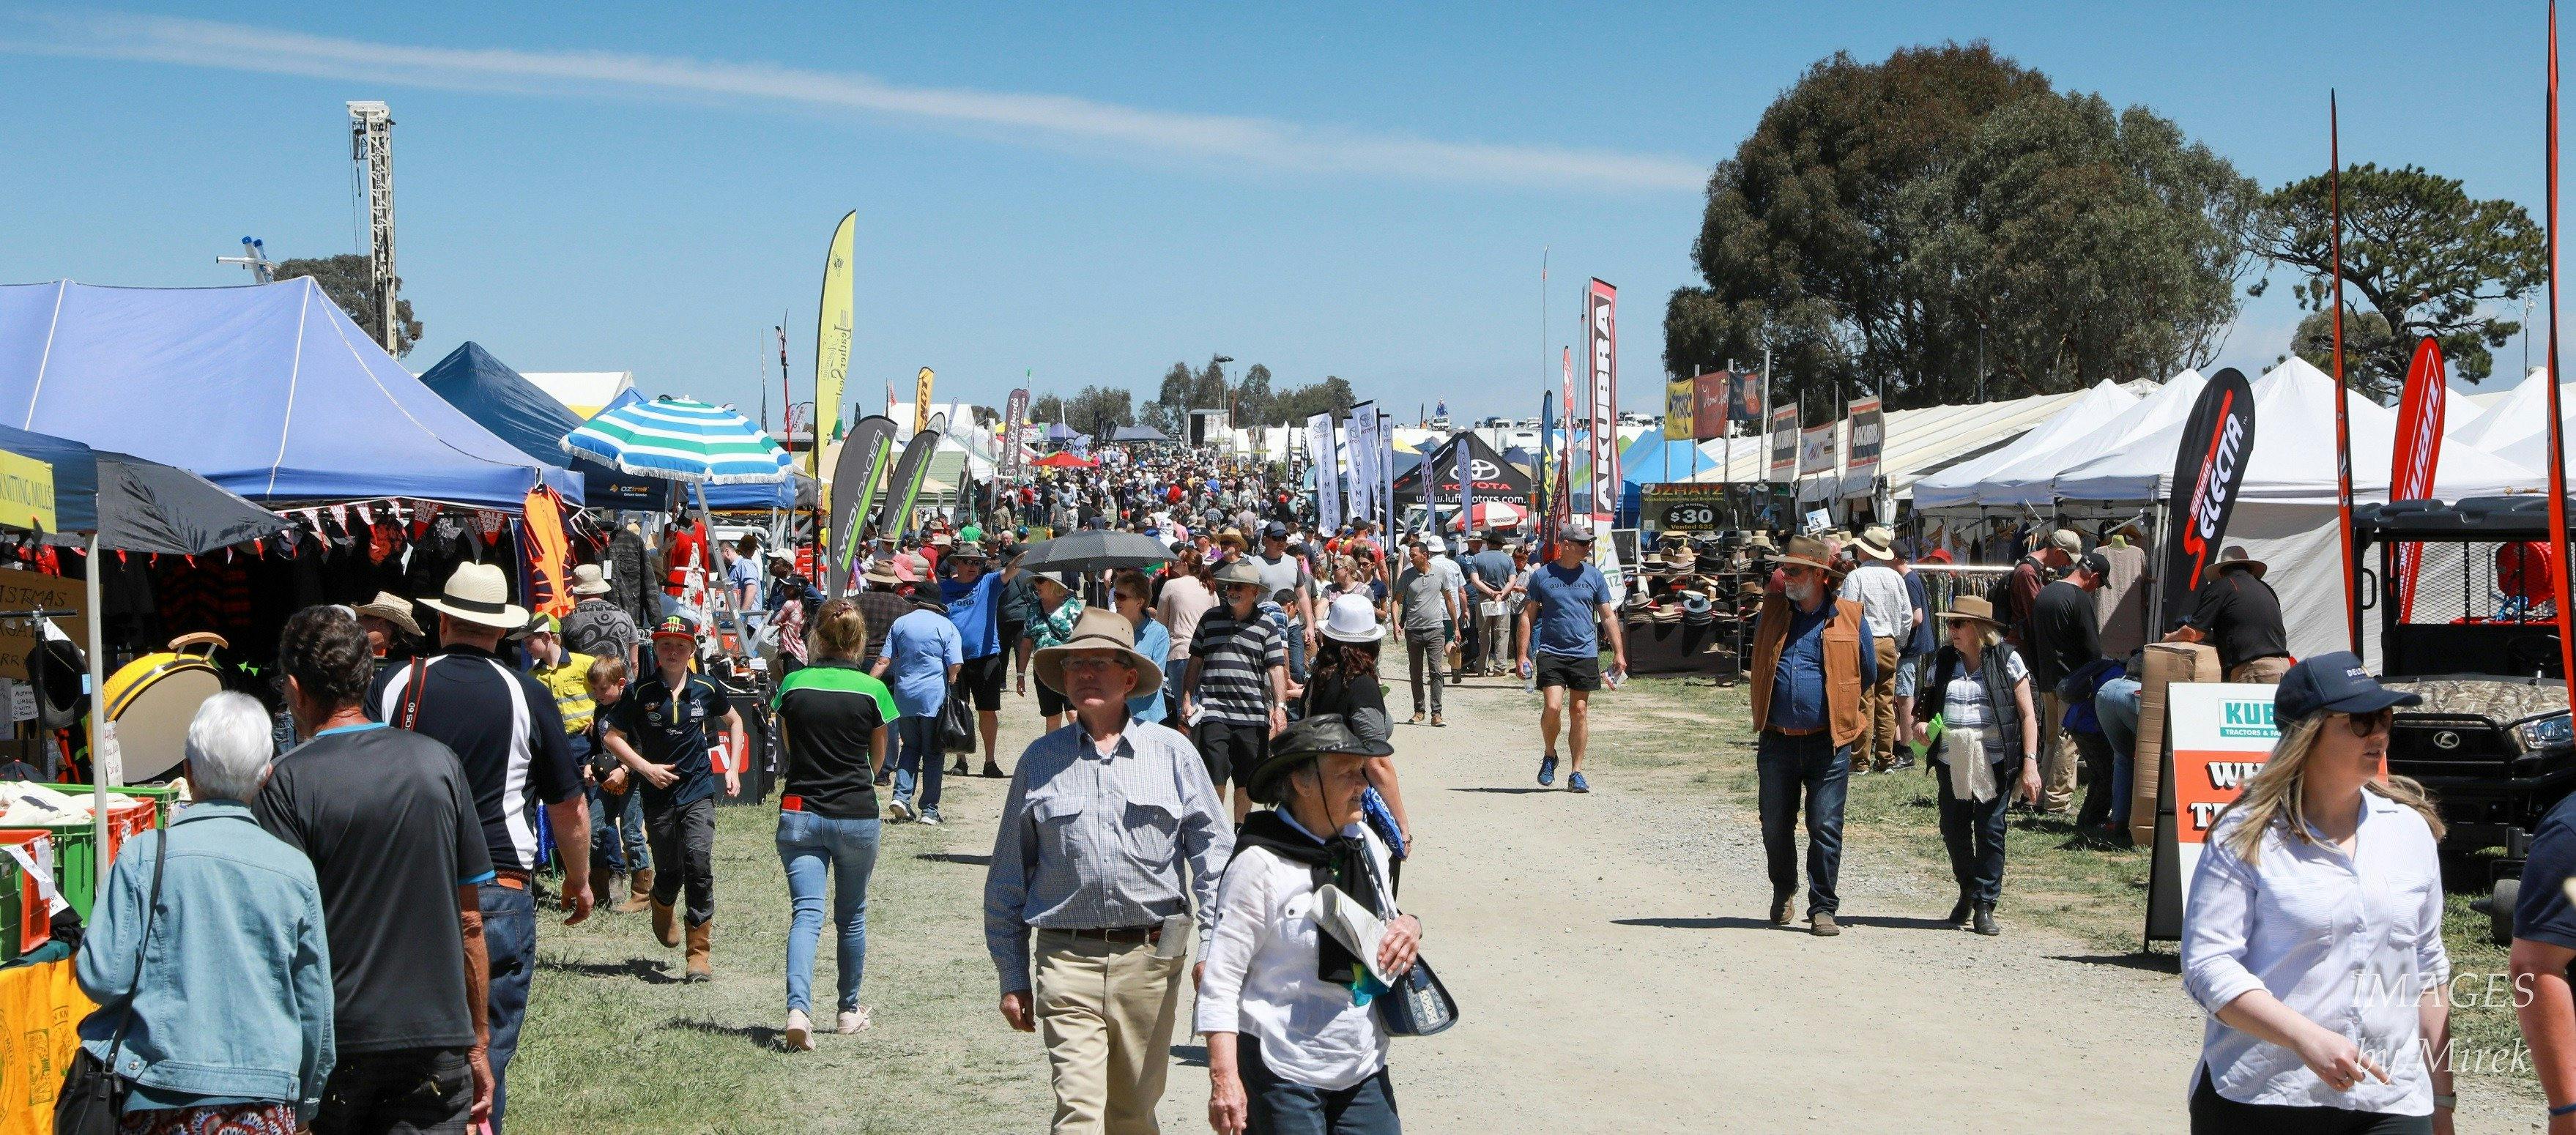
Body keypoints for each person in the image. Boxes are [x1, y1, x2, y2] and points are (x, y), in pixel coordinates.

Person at [984, 607, 1233, 1135]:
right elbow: (1008, 875)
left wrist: (1213, 947)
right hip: (1064, 958)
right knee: (1078, 1113)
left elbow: (1214, 859)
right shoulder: (1038, 760)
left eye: (1098, 665)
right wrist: (1012, 975)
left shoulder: (1172, 753)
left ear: (1128, 678)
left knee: (1131, 1115)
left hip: (1150, 960)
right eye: (1075, 666)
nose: (1085, 676)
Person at [2181, 652, 2453, 1133]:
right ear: (2307, 733)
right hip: (2264, 1095)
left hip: (2390, 1099)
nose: (2379, 734)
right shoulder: (2244, 835)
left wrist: (2441, 1098)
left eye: (2385, 717)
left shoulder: (2409, 832)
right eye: (2361, 720)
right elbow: (2208, 966)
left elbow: (2426, 968)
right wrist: (2305, 1038)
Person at [366, 563, 589, 1130]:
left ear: (442, 622)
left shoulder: (393, 683)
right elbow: (568, 807)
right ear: (502, 631)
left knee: (403, 1055)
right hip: (498, 885)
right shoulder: (528, 695)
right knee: (485, 1056)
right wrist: (578, 880)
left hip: (401, 886)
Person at [259, 606, 494, 1132]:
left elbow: (277, 937)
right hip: (436, 1038)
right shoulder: (438, 763)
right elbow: (470, 922)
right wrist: (478, 1041)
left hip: (337, 1042)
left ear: (294, 689)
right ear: (367, 677)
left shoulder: (285, 783)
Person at [76, 693, 333, 1135]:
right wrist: (306, 1101)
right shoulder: (294, 870)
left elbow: (104, 978)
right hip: (265, 1101)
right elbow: (315, 1005)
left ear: (188, 771)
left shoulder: (143, 856)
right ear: (265, 777)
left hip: (158, 1091)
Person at [1200, 715, 1417, 1135]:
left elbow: (1387, 920)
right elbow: (1220, 980)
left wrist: (1410, 926)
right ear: (1301, 782)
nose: (1364, 784)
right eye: (1347, 773)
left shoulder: (1365, 844)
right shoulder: (1258, 866)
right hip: (1282, 1071)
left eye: (1363, 771)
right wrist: (1225, 1079)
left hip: (1362, 1063)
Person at [771, 598, 900, 1050]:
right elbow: (878, 757)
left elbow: (788, 745)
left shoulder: (791, 685)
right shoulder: (873, 691)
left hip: (801, 809)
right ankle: (847, 1010)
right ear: (858, 641)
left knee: (806, 915)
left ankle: (798, 1010)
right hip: (855, 812)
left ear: (816, 638)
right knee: (851, 917)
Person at [601, 615, 746, 983]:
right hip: (658, 794)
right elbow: (612, 737)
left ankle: (698, 953)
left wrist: (730, 769)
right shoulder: (639, 691)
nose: (672, 651)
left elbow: (735, 722)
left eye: (681, 645)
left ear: (692, 650)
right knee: (670, 870)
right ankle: (661, 904)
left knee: (698, 862)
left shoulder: (707, 687)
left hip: (698, 788)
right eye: (666, 644)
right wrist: (644, 768)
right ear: (656, 648)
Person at [1747, 534, 1875, 937]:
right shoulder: (1773, 613)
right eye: (1784, 569)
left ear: (1821, 576)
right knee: (1774, 823)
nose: (1786, 576)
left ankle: (1823, 907)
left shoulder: (1850, 618)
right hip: (1777, 739)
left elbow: (1866, 673)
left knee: (1824, 825)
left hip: (1827, 742)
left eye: (1795, 570)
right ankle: (1784, 888)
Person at [1913, 597, 2041, 936]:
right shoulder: (1941, 662)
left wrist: (2030, 763)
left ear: (1979, 629)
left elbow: (2028, 714)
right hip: (1950, 759)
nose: (1951, 630)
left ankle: (1985, 902)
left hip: (1995, 760)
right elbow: (1926, 716)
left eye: (1958, 624)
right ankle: (1967, 888)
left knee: (1990, 830)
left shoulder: (2007, 659)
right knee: (1954, 830)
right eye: (1951, 624)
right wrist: (1923, 731)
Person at [1515, 521, 1627, 794]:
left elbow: (1608, 615)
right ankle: (1550, 754)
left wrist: (1619, 652)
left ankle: (1576, 772)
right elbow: (1527, 616)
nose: (1589, 547)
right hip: (1551, 651)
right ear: (1566, 545)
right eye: (1583, 543)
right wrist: (1522, 655)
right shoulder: (1542, 576)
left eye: (1589, 542)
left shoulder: (1594, 576)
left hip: (1584, 653)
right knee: (1553, 707)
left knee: (1579, 711)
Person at [1184, 559, 1293, 822]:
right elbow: (1195, 663)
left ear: (1254, 592)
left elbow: (1276, 669)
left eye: (1240, 587)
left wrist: (1279, 708)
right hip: (1213, 710)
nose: (1232, 591)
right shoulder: (1210, 619)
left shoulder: (1267, 625)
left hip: (1252, 714)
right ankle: (1214, 831)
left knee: (1245, 780)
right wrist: (1186, 699)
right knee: (1214, 774)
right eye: (1230, 586)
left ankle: (1239, 830)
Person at [1304, 592, 1409, 844]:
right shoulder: (1361, 685)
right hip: (1348, 804)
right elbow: (1377, 764)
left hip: (1316, 793)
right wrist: (1402, 824)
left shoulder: (1320, 677)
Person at [524, 614, 609, 908]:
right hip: (554, 749)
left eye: (529, 640)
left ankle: (610, 876)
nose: (526, 647)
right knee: (565, 811)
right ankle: (574, 877)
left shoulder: (585, 664)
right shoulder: (532, 678)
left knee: (597, 808)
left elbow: (612, 690)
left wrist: (597, 718)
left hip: (585, 746)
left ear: (548, 637)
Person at [2028, 550, 2109, 817]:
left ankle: (2038, 797)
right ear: (2093, 577)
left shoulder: (2046, 592)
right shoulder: (2079, 599)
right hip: (2071, 683)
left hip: (2046, 678)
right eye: (2099, 584)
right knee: (2068, 741)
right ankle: (2058, 800)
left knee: (2051, 739)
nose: (2097, 589)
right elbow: (2093, 651)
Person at [876, 589, 963, 825]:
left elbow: (885, 660)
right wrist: (950, 680)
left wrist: (868, 684)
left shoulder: (901, 624)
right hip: (933, 698)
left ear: (916, 603)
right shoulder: (947, 627)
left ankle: (901, 798)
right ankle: (929, 810)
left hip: (905, 697)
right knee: (934, 752)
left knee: (910, 748)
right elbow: (954, 664)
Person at [943, 540, 1022, 778]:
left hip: (986, 657)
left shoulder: (988, 583)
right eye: (968, 562)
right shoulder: (944, 589)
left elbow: (1010, 571)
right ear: (957, 563)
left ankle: (990, 762)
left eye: (977, 562)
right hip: (954, 660)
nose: (973, 567)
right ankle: (961, 760)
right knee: (958, 709)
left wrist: (1024, 555)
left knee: (988, 710)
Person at [582, 655, 655, 915]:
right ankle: (598, 888)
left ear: (621, 683)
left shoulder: (631, 709)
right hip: (606, 780)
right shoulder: (601, 709)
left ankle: (642, 893)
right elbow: (597, 745)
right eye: (595, 690)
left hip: (631, 779)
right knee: (593, 828)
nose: (598, 694)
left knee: (632, 832)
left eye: (603, 689)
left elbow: (640, 746)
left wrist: (625, 769)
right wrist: (591, 764)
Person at [1838, 525, 1912, 775]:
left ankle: (1860, 760)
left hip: (1865, 642)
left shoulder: (1856, 578)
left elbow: (1847, 614)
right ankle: (1886, 758)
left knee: (1864, 700)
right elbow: (1906, 617)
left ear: (1866, 551)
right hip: (1889, 642)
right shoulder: (1896, 578)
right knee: (1886, 702)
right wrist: (1898, 643)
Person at [2167, 546, 2293, 685]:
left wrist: (2169, 638)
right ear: (2250, 569)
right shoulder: (2267, 589)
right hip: (2284, 667)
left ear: (2221, 573)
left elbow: (2193, 633)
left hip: (2254, 670)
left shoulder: (2221, 587)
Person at [1391, 540, 1455, 728]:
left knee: (1436, 671)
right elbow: (1396, 601)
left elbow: (1449, 600)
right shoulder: (1407, 575)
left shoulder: (1440, 573)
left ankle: (1437, 713)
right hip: (1414, 631)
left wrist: (1456, 626)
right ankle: (1419, 710)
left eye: (1414, 555)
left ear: (1425, 555)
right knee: (1415, 672)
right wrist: (1396, 624)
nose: (1411, 558)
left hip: (1436, 629)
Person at [1251, 521, 1319, 686]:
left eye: (1283, 538)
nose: (1281, 542)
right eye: (1276, 538)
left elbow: (1302, 595)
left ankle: (1294, 711)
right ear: (1266, 539)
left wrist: (1310, 625)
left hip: (1292, 625)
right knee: (1271, 670)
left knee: (1297, 670)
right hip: (1266, 626)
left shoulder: (1292, 562)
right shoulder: (1255, 563)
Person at [1020, 570, 1086, 733]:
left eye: (1040, 581)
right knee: (1052, 717)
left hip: (1070, 669)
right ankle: (1054, 756)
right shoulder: (1033, 608)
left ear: (1053, 583)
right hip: (1044, 670)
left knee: (1073, 714)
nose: (1036, 585)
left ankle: (1083, 752)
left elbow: (1084, 638)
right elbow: (1027, 643)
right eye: (1035, 581)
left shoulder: (1072, 606)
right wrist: (1020, 675)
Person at [1158, 540, 1219, 705]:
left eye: (1177, 561)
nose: (1173, 564)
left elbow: (1161, 623)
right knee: (1204, 706)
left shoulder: (1171, 585)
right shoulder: (1209, 588)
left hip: (1180, 651)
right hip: (1206, 653)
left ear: (1184, 565)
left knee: (1183, 706)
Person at [1113, 569, 1173, 726]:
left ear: (1139, 602)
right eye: (1115, 595)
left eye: (1121, 597)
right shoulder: (1111, 629)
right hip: (1116, 715)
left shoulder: (1159, 633)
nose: (1116, 601)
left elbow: (1156, 678)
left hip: (1148, 718)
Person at [2002, 529, 2077, 650]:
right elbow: (2037, 615)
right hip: (2023, 649)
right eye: (2069, 559)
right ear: (2058, 552)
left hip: (2028, 644)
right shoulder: (2028, 572)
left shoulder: (2038, 569)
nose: (2069, 564)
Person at [562, 563, 641, 671]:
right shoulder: (624, 615)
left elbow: (562, 659)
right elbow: (634, 662)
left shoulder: (567, 620)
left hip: (583, 684)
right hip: (621, 683)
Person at [1466, 532, 1518, 677]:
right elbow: (1512, 581)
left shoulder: (1477, 558)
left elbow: (1475, 581)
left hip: (1484, 598)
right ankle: (1500, 668)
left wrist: (1490, 592)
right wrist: (1500, 594)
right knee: (1502, 632)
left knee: (1483, 633)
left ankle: (1482, 667)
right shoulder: (1508, 559)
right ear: (1501, 545)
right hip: (1502, 599)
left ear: (1488, 544)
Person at [352, 590, 422, 668]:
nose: (391, 646)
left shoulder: (352, 646)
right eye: (394, 638)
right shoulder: (342, 644)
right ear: (380, 623)